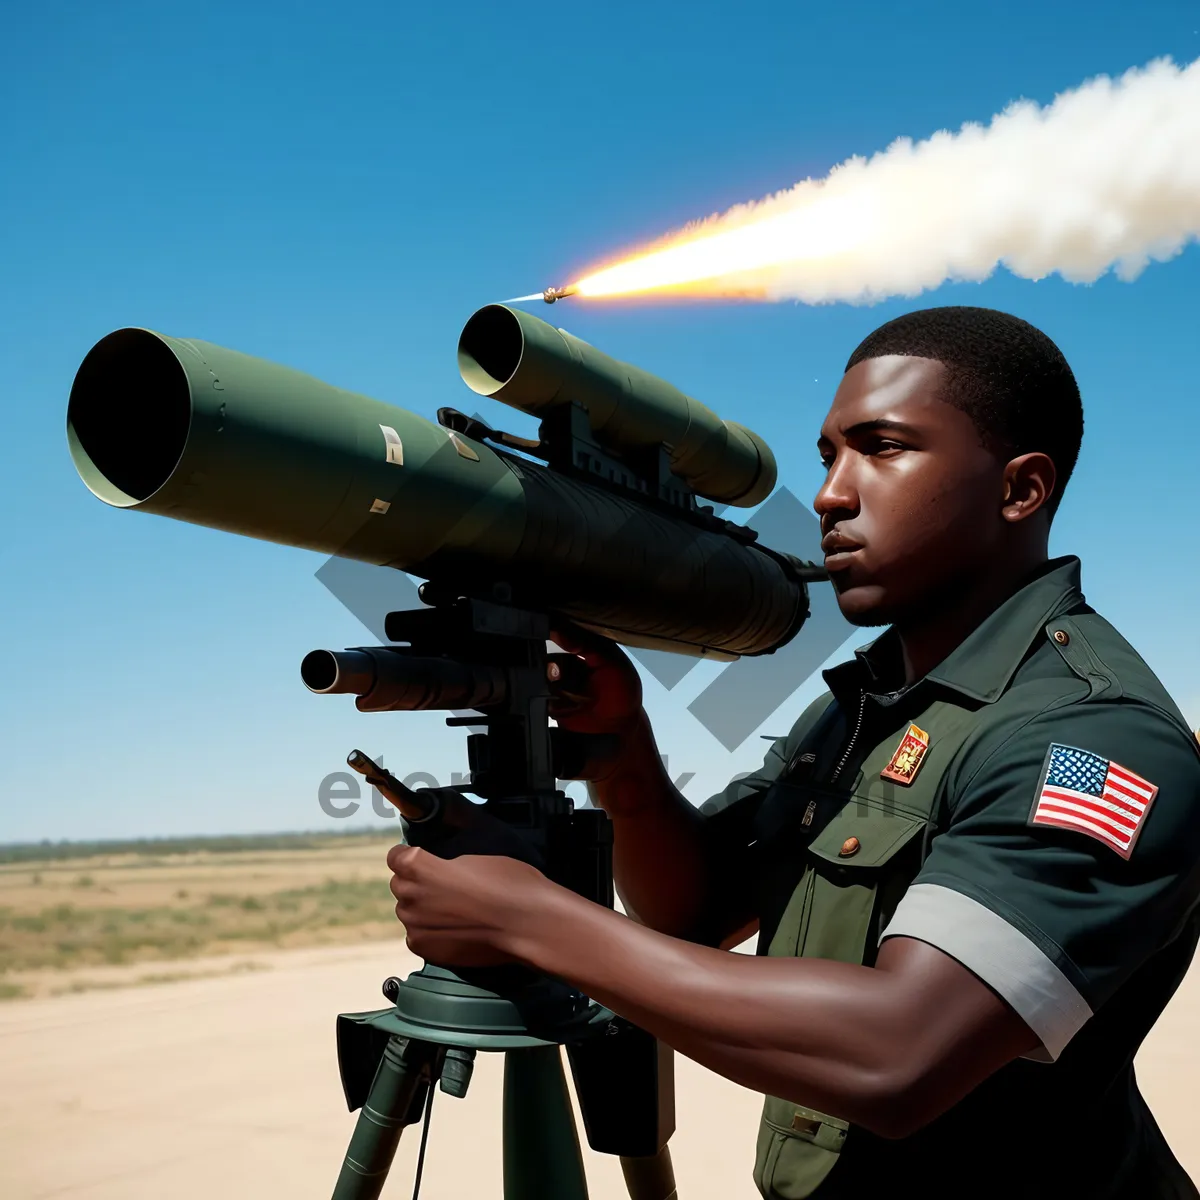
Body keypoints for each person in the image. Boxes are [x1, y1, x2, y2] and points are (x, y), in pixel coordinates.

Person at [386, 306, 1200, 1199]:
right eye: (827, 456)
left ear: (1021, 490)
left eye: (883, 448)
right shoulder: (869, 708)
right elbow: (693, 914)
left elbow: (899, 1053)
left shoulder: (1088, 734)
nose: (830, 496)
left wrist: (526, 920)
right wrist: (626, 762)